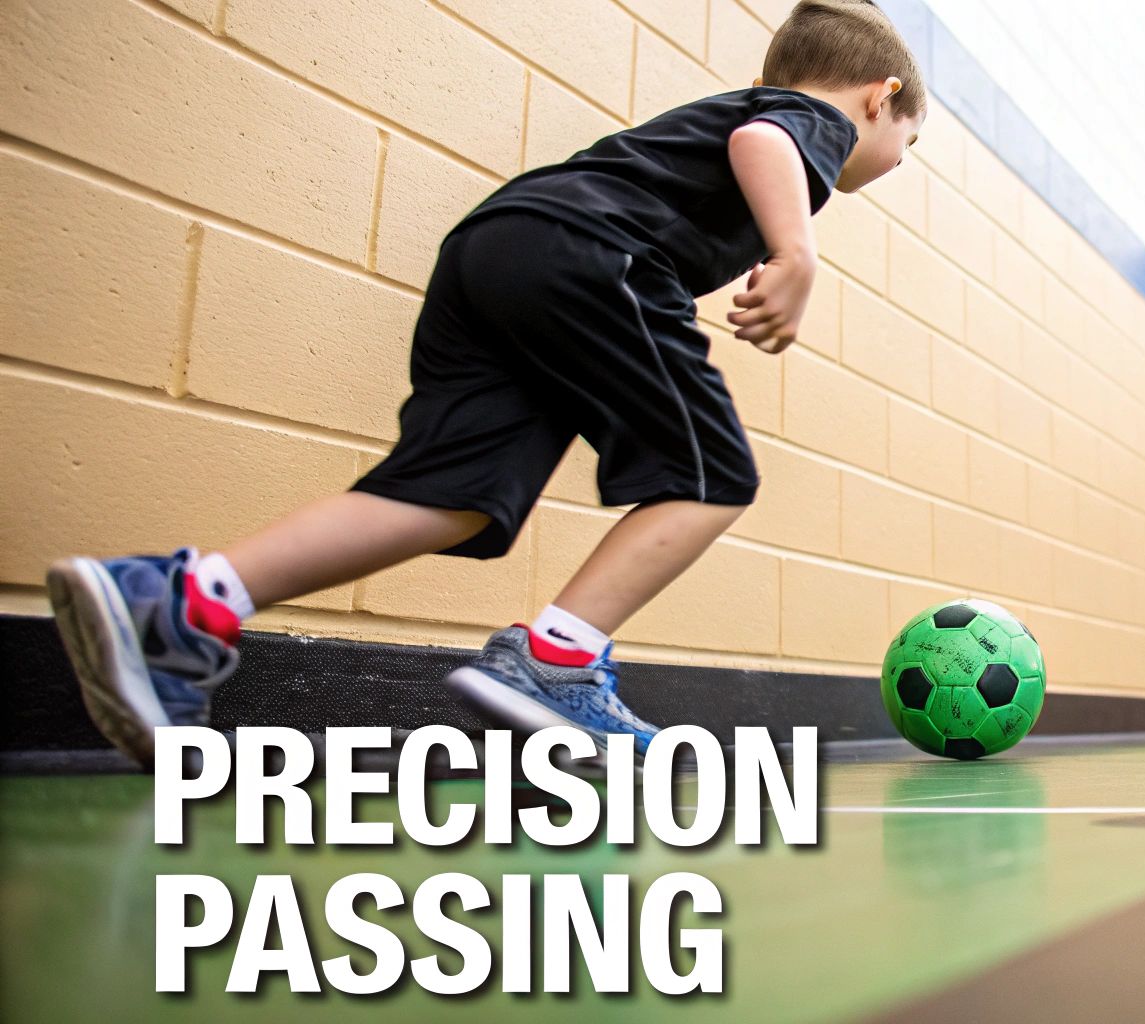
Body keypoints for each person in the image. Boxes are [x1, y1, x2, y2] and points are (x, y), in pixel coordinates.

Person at [43, 0, 926, 768]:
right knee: (711, 477)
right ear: (880, 96)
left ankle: (180, 603)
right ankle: (558, 661)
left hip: (498, 249)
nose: (893, 161)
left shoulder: (768, 119)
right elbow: (763, 136)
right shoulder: (811, 119)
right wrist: (795, 250)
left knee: (455, 494)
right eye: (907, 144)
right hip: (592, 250)